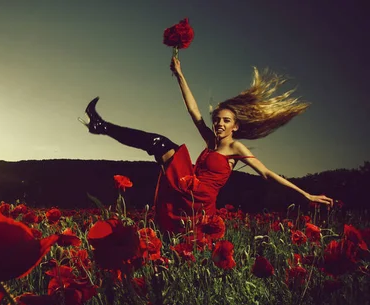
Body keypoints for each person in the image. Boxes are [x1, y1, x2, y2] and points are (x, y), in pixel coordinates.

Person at [79, 56, 334, 234]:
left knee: (161, 145)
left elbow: (267, 174)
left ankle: (100, 127)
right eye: (217, 120)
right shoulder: (211, 141)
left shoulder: (236, 149)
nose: (219, 124)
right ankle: (101, 126)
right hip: (188, 185)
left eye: (226, 121)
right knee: (157, 142)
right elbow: (193, 111)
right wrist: (179, 75)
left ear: (235, 126)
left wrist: (305, 194)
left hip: (200, 201)